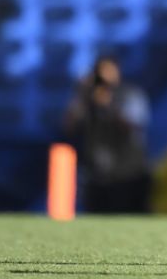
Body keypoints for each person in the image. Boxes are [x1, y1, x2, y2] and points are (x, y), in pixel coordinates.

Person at [62, 54, 151, 213]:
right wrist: (82, 96)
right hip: (98, 176)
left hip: (128, 175)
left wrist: (109, 106)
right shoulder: (88, 99)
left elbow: (132, 127)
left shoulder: (129, 95)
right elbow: (69, 127)